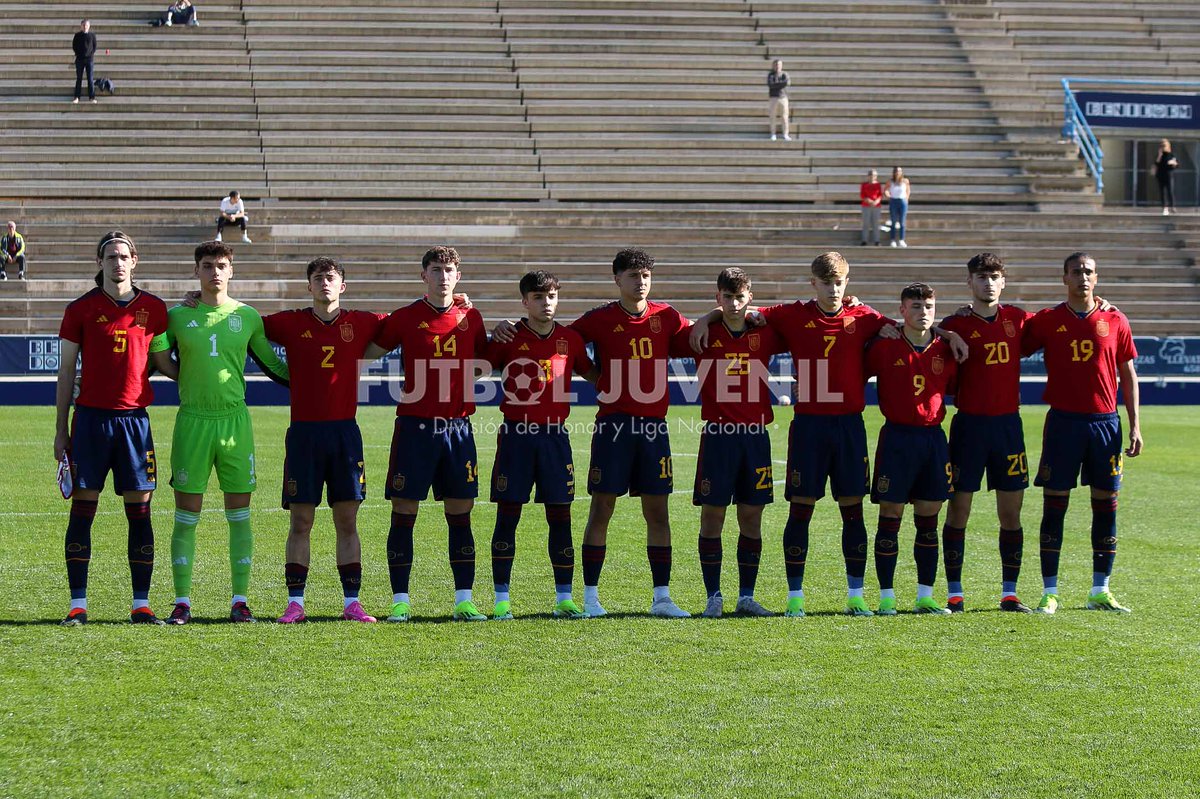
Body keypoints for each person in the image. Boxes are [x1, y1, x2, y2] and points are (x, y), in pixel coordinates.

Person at [690, 253, 966, 617]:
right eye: (826, 283)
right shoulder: (791, 315)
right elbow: (740, 310)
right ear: (813, 284)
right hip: (809, 427)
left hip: (849, 426)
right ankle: (795, 599)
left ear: (847, 282)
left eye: (839, 283)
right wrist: (707, 318)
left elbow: (916, 325)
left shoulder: (866, 317)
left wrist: (948, 332)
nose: (834, 290)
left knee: (852, 511)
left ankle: (855, 596)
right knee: (800, 510)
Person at [54, 231, 178, 625]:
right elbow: (65, 373)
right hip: (90, 421)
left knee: (139, 513)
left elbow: (165, 362)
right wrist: (61, 430)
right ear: (100, 263)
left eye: (124, 256)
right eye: (110, 257)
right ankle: (78, 605)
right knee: (83, 511)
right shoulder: (80, 309)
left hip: (134, 424)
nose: (118, 263)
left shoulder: (155, 309)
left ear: (134, 260)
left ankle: (141, 604)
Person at [163, 241, 290, 625]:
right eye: (206, 265)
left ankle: (240, 601)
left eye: (221, 265)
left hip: (235, 422)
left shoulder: (247, 316)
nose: (214, 272)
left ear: (231, 271)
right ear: (196, 271)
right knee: (187, 515)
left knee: (240, 514)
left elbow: (274, 365)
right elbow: (154, 356)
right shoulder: (176, 317)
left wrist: (322, 382)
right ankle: (182, 602)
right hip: (193, 422)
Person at [263, 258, 386, 624]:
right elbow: (242, 322)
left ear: (342, 286)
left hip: (345, 433)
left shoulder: (362, 321)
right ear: (309, 287)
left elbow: (412, 317)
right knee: (301, 521)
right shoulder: (288, 323)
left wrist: (460, 302)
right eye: (318, 279)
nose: (325, 284)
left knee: (347, 520)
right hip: (303, 434)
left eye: (331, 278)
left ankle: (352, 602)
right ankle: (295, 603)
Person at [374, 246, 491, 623]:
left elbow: (484, 364)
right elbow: (366, 349)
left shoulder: (471, 316)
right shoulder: (406, 318)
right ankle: (400, 601)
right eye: (436, 269)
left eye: (450, 269)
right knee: (403, 511)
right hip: (415, 429)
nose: (443, 275)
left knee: (460, 513)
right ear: (423, 275)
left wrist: (456, 379)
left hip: (458, 429)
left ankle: (464, 600)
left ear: (458, 275)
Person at [1021, 252, 1142, 614]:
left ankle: (1100, 589)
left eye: (1088, 272)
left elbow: (1129, 375)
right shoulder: (1047, 320)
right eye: (1076, 272)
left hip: (1105, 424)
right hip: (1063, 423)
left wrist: (1135, 424)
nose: (1083, 278)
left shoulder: (1115, 319)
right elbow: (1006, 336)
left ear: (1097, 277)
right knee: (1055, 506)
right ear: (1064, 278)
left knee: (1106, 506)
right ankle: (1050, 591)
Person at [483, 270, 596, 620]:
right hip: (516, 437)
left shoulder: (570, 340)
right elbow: (474, 366)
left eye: (551, 297)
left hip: (554, 438)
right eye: (537, 297)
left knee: (560, 517)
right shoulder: (508, 337)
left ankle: (564, 597)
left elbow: (595, 375)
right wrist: (488, 328)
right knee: (508, 516)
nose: (545, 303)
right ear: (524, 301)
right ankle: (502, 600)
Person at [673, 268, 784, 618]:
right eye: (727, 297)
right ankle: (713, 596)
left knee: (752, 517)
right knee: (713, 517)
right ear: (717, 297)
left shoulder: (767, 334)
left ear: (750, 297)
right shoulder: (701, 335)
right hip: (718, 436)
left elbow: (803, 319)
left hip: (755, 437)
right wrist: (707, 319)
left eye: (740, 297)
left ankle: (746, 597)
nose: (735, 304)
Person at [937, 253, 1034, 613]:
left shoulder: (1019, 320)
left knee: (1011, 514)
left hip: (1008, 426)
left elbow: (1058, 324)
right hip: (969, 427)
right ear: (969, 283)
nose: (988, 283)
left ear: (1003, 282)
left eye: (994, 277)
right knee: (958, 510)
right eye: (981, 277)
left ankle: (1009, 593)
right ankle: (955, 593)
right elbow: (918, 327)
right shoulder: (954, 324)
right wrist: (944, 331)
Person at [865, 282, 958, 616]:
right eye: (915, 306)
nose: (923, 312)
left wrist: (949, 334)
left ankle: (924, 596)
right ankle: (887, 597)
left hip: (933, 439)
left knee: (928, 518)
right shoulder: (884, 347)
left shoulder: (946, 349)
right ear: (902, 310)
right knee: (890, 515)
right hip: (897, 439)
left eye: (928, 306)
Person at [72, 20, 96, 104]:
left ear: (89, 26)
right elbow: (74, 46)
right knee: (79, 78)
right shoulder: (77, 35)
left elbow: (94, 46)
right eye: (83, 25)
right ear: (81, 26)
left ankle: (92, 97)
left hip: (89, 60)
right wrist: (78, 54)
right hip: (79, 59)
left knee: (90, 78)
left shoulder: (92, 35)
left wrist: (90, 55)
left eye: (86, 25)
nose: (85, 27)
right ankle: (77, 97)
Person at [767, 60, 791, 142]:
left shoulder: (785, 74)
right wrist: (780, 84)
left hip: (783, 97)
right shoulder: (770, 75)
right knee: (773, 116)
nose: (777, 66)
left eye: (779, 65)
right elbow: (770, 84)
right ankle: (773, 134)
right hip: (773, 97)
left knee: (784, 116)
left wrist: (777, 84)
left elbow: (786, 83)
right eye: (776, 65)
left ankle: (785, 134)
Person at [1154, 139, 1179, 216]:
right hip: (1161, 175)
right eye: (1162, 146)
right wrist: (1159, 155)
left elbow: (1176, 164)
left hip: (1169, 175)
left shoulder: (1171, 155)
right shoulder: (1160, 155)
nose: (1163, 147)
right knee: (1163, 192)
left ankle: (1173, 206)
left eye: (1165, 145)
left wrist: (1174, 163)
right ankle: (1165, 207)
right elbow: (1156, 163)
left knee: (1170, 191)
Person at [887, 167, 910, 248]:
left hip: (902, 201)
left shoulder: (905, 181)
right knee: (893, 221)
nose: (898, 173)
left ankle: (901, 239)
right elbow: (886, 190)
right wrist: (888, 194)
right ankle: (892, 240)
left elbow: (908, 191)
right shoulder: (891, 181)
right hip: (893, 201)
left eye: (899, 171)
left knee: (902, 222)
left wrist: (906, 199)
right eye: (896, 171)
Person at [860, 170, 882, 246]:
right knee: (866, 223)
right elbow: (862, 195)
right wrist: (869, 201)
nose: (873, 176)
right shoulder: (864, 185)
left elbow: (880, 195)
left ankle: (877, 240)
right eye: (871, 175)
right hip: (866, 205)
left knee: (876, 224)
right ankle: (864, 240)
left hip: (876, 206)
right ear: (868, 176)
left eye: (874, 175)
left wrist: (876, 201)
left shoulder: (878, 185)